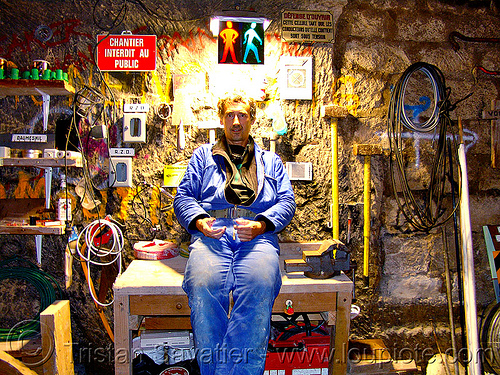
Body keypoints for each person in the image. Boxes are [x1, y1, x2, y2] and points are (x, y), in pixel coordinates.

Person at [173, 91, 296, 375]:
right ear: (221, 119)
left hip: (256, 235)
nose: (236, 121)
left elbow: (287, 202)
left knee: (259, 286)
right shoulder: (203, 156)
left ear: (252, 119)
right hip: (212, 232)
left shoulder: (271, 161)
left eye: (242, 115)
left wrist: (263, 224)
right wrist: (199, 220)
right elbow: (183, 197)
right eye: (230, 115)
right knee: (202, 286)